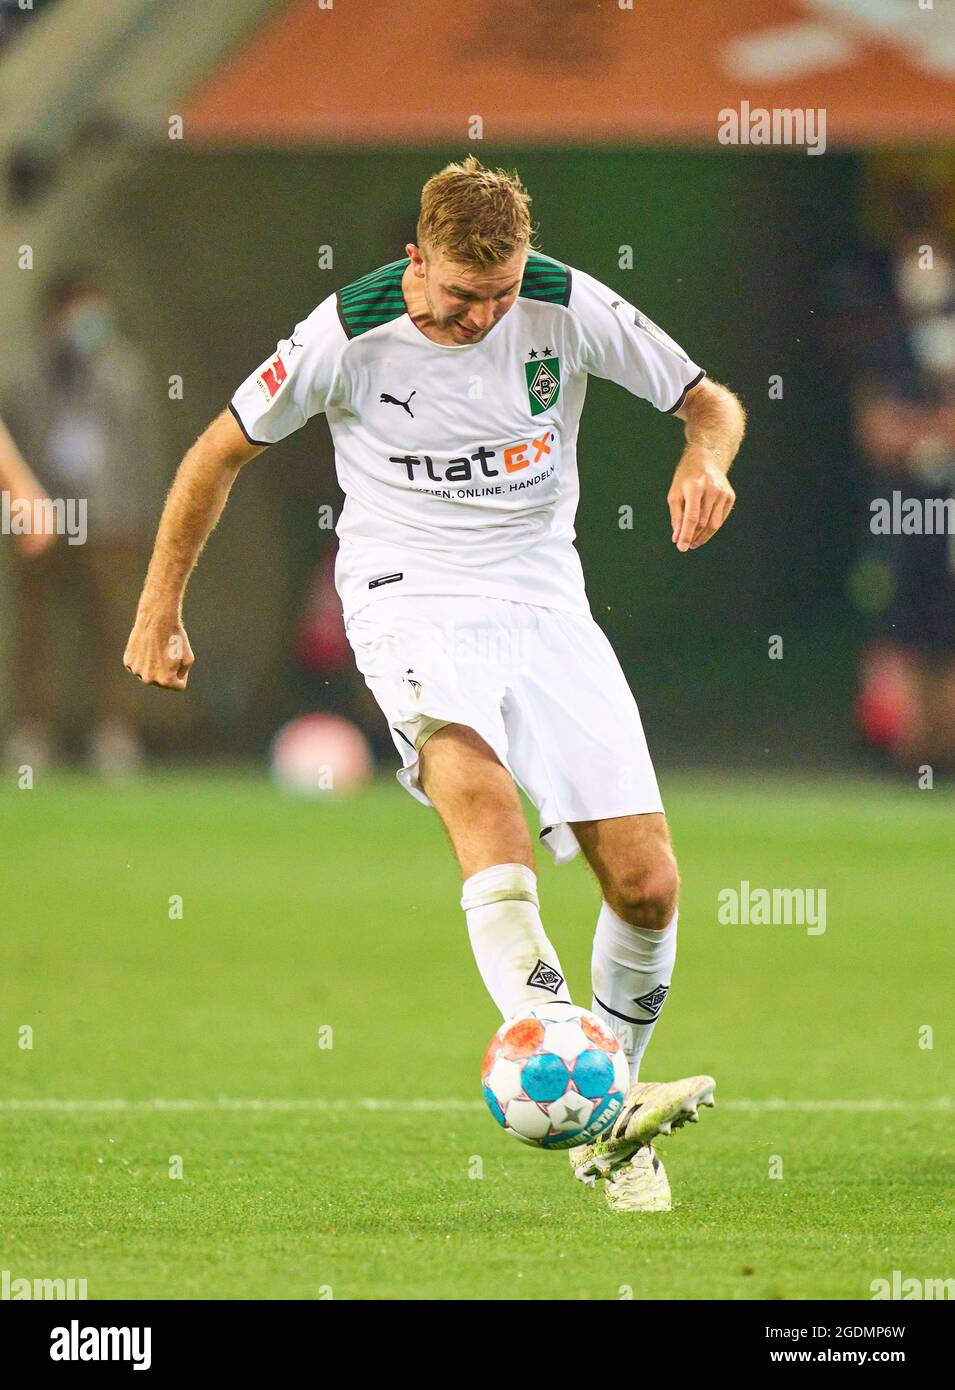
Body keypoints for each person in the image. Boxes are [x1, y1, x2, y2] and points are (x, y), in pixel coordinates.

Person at [124, 157, 745, 1212]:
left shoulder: (563, 302)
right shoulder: (344, 332)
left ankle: (611, 1112)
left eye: (500, 293)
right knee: (485, 807)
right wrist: (158, 607)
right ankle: (584, 1082)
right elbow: (216, 455)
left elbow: (709, 402)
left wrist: (706, 456)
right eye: (461, 296)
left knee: (646, 885)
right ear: (417, 262)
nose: (481, 316)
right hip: (404, 591)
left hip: (545, 598)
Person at [2, 271, 159, 774]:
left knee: (114, 628)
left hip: (111, 517)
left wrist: (145, 517)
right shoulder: (25, 374)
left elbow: (142, 450)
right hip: (44, 516)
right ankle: (34, 730)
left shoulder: (126, 371)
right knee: (38, 629)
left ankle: (114, 732)